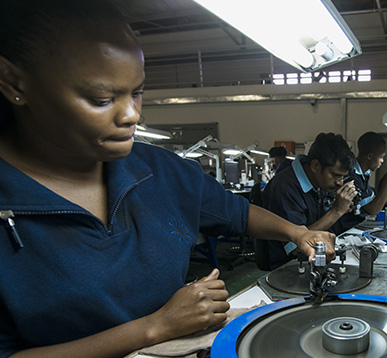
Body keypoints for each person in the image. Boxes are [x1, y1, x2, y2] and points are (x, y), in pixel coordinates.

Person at [0, 1, 335, 357]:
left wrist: (297, 232)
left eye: (137, 92)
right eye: (101, 98)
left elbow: (238, 214)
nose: (131, 115)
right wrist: (156, 326)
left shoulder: (160, 170)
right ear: (13, 82)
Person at [261, 133, 358, 270]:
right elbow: (296, 246)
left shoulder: (319, 182)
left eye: (343, 177)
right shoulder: (285, 187)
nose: (340, 182)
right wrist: (336, 211)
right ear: (316, 166)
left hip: (313, 259)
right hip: (289, 267)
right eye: (336, 175)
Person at [332, 132, 387, 234]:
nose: (382, 161)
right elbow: (373, 209)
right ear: (370, 156)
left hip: (358, 227)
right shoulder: (352, 176)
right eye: (381, 157)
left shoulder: (364, 174)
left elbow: (373, 199)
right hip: (346, 232)